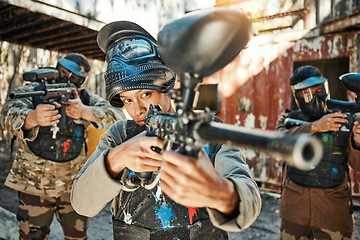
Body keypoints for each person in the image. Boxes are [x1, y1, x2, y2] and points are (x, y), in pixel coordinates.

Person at [70, 21, 261, 239]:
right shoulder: (119, 136)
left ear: (166, 86)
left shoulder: (208, 130)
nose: (138, 110)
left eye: (145, 95)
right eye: (126, 100)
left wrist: (220, 193)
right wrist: (115, 160)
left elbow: (249, 204)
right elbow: (82, 205)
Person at [1, 52, 126, 239]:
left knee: (77, 236)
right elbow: (7, 114)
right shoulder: (34, 90)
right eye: (62, 71)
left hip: (73, 186)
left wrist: (86, 112)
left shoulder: (85, 98)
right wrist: (32, 118)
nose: (66, 78)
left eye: (74, 76)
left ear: (84, 79)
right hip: (34, 184)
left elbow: (119, 118)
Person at [275, 65, 360, 240]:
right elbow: (277, 145)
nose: (315, 97)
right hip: (295, 212)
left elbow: (357, 165)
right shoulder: (289, 119)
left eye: (319, 90)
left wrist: (357, 143)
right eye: (307, 93)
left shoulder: (344, 118)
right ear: (298, 96)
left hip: (333, 213)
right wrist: (313, 127)